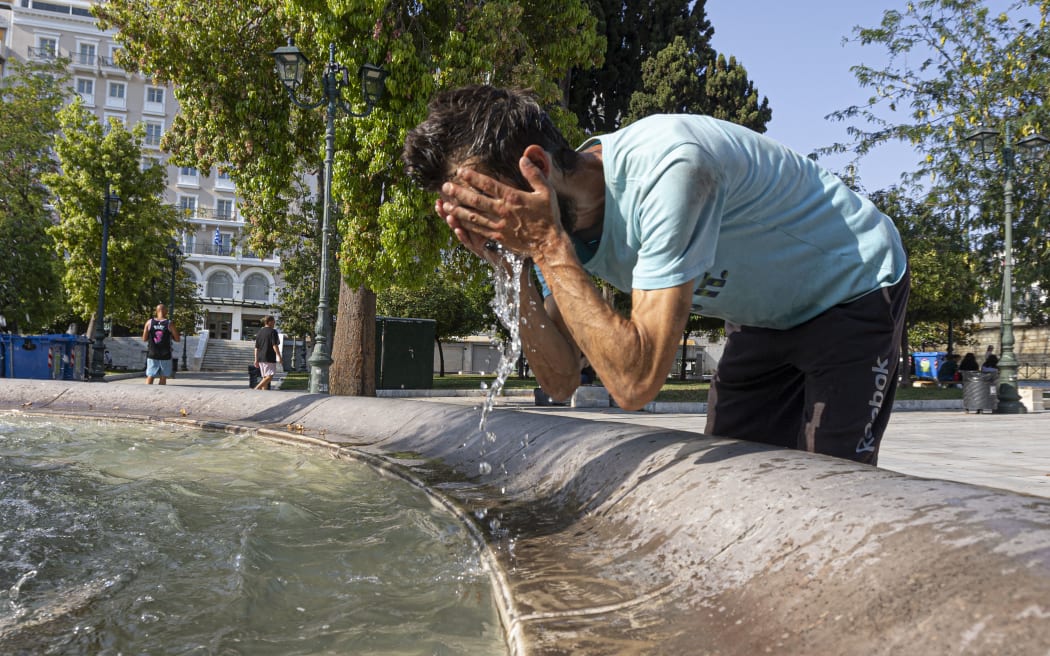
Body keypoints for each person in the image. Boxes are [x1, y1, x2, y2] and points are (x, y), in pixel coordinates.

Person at [403, 85, 910, 465]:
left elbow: (636, 382)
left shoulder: (670, 170)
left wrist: (544, 245)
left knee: (832, 487)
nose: (492, 221)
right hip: (762, 318)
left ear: (537, 164)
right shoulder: (557, 227)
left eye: (489, 201)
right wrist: (510, 268)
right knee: (735, 482)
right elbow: (559, 379)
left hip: (853, 286)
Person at [142, 303, 179, 385]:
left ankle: (146, 393)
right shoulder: (169, 323)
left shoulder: (149, 322)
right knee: (163, 376)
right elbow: (177, 339)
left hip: (152, 353)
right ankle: (159, 395)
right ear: (165, 311)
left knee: (150, 375)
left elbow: (144, 339)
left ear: (156, 311)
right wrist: (170, 336)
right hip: (165, 355)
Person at [253, 315, 282, 390]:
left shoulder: (259, 332)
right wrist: (279, 356)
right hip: (269, 357)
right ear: (269, 322)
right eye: (273, 322)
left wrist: (256, 360)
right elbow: (274, 345)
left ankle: (264, 395)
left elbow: (256, 348)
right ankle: (256, 389)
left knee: (265, 378)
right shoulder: (273, 331)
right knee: (270, 376)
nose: (274, 324)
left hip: (261, 358)